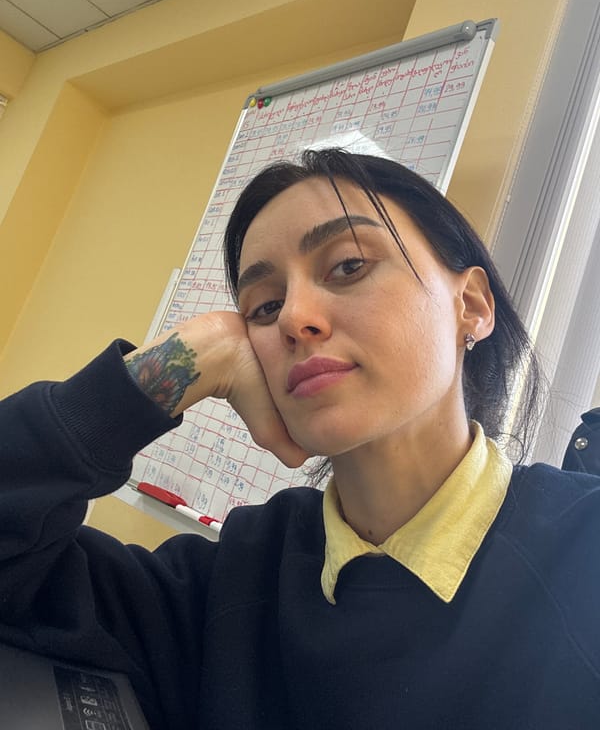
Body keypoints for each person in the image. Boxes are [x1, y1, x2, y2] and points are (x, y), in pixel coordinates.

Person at [1, 148, 599, 730]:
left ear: (470, 304)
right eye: (262, 307)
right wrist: (178, 361)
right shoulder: (228, 582)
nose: (293, 318)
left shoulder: (583, 551)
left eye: (348, 266)